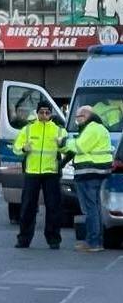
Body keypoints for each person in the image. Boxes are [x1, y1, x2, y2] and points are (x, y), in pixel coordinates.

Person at [14, 102, 65, 249]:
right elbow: (16, 148)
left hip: (51, 173)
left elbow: (68, 148)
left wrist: (62, 144)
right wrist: (24, 148)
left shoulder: (59, 131)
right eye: (41, 112)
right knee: (27, 207)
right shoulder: (28, 129)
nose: (44, 115)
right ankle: (23, 239)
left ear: (51, 114)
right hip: (32, 172)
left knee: (53, 207)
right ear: (37, 113)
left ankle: (54, 239)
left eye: (47, 112)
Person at [64, 105, 112, 252]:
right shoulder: (100, 128)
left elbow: (79, 146)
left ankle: (93, 242)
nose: (77, 121)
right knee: (95, 208)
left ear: (85, 115)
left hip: (88, 173)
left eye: (78, 117)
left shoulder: (91, 128)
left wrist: (64, 142)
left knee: (89, 209)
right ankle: (95, 241)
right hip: (98, 173)